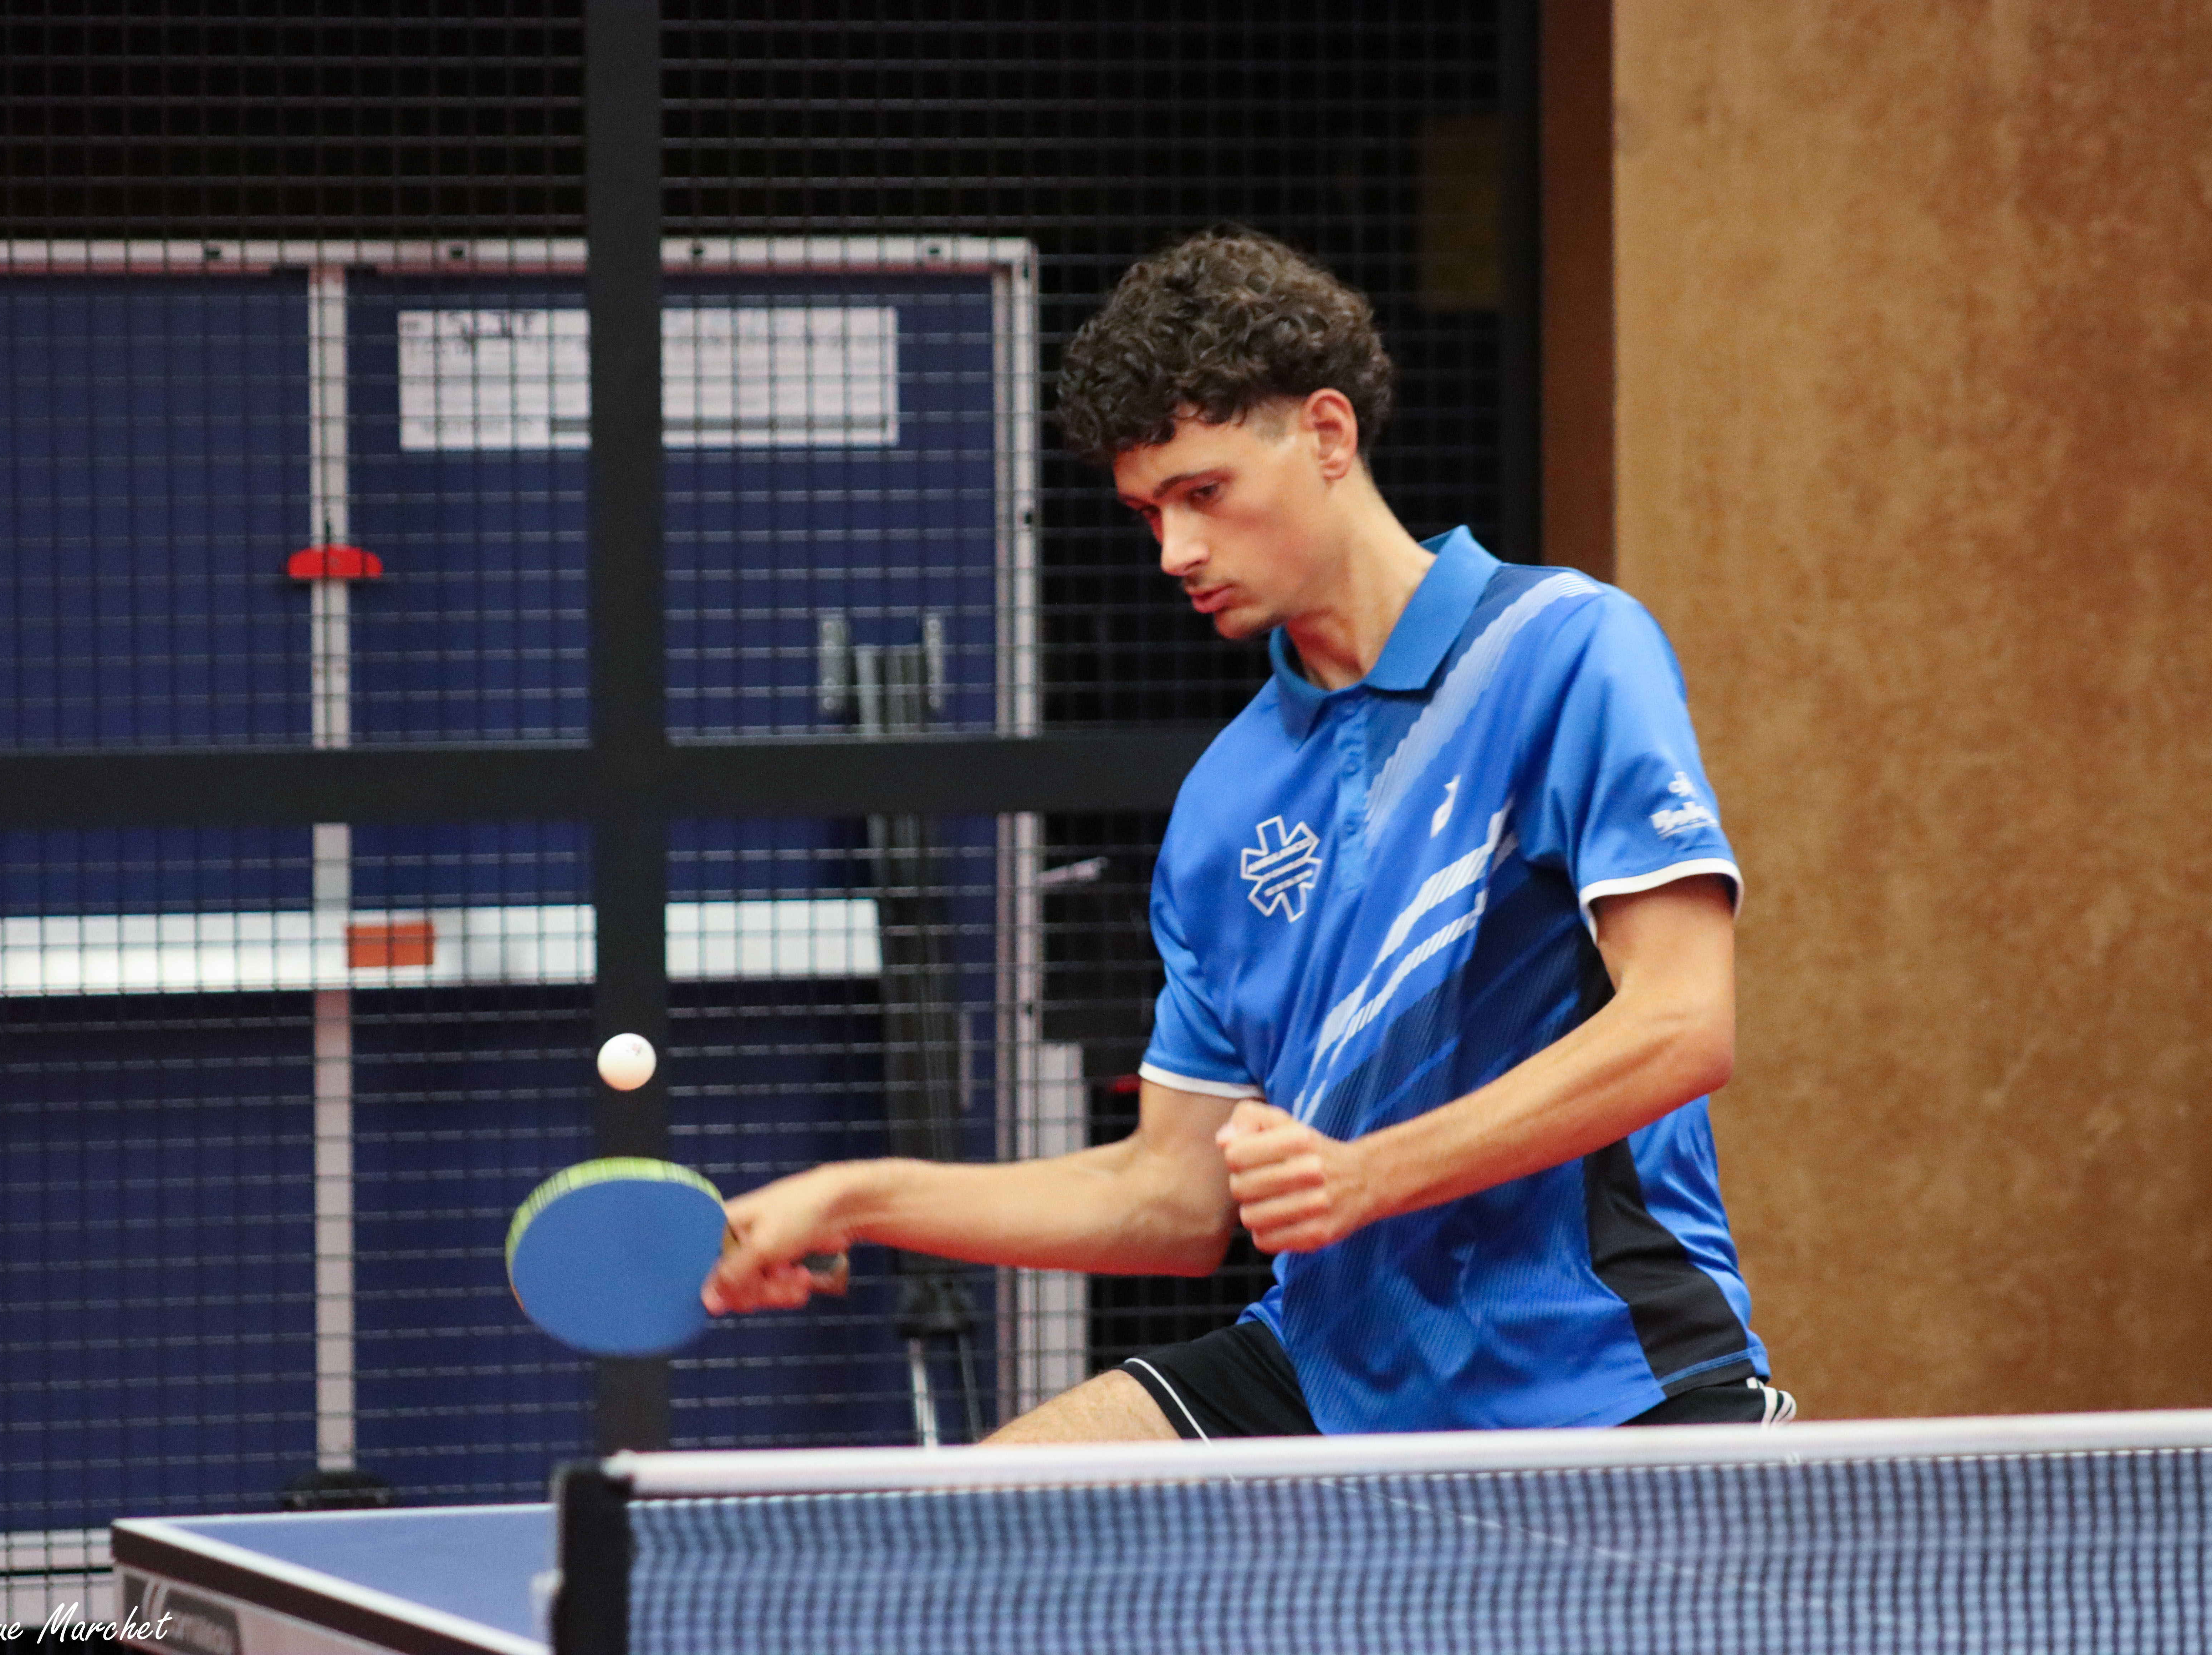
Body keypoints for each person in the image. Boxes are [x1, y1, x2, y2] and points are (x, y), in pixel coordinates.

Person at [704, 228, 1789, 1440]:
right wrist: (858, 1199)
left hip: (1607, 1378)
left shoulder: (1563, 650)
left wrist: (1368, 1175)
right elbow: (1170, 1198)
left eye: (1204, 494)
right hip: (1332, 1370)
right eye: (1148, 512)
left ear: (1326, 434)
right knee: (971, 1506)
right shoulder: (1225, 802)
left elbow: (1682, 1023)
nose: (1175, 551)